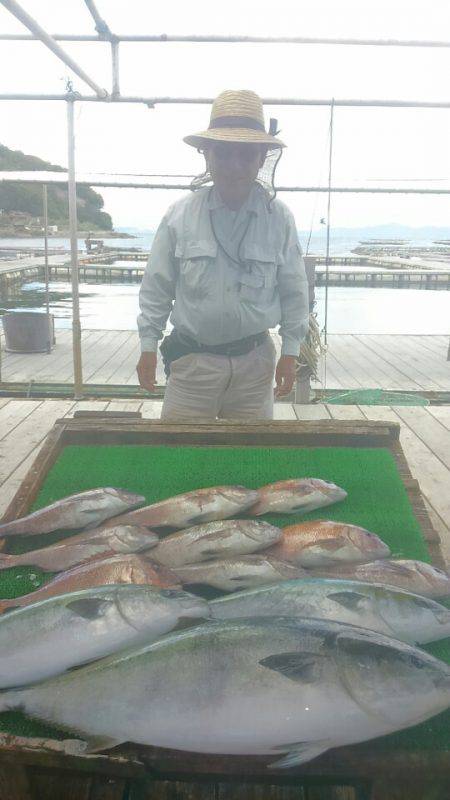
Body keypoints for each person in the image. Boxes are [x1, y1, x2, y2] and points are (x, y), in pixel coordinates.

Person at [136, 89, 309, 419]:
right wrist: (147, 345)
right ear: (207, 155)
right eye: (224, 153)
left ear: (261, 159)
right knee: (177, 454)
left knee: (253, 459)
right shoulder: (178, 215)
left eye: (246, 155)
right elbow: (156, 288)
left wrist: (290, 350)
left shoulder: (281, 218)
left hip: (255, 365)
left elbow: (294, 291)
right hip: (191, 364)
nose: (234, 165)